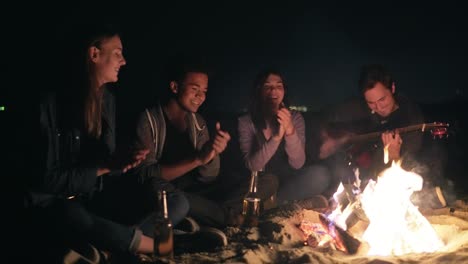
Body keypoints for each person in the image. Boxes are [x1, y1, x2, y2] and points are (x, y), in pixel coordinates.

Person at [21, 23, 190, 263]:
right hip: (53, 203)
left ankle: (108, 247)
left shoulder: (107, 100)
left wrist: (124, 159)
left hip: (92, 198)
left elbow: (107, 169)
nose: (124, 61)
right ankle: (158, 245)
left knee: (173, 200)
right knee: (72, 215)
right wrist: (105, 167)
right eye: (117, 53)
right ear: (94, 54)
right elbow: (47, 180)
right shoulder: (51, 103)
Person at [133, 57, 271, 235]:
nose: (201, 96)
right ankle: (218, 217)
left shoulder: (198, 122)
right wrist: (197, 159)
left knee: (266, 181)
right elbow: (145, 175)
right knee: (179, 200)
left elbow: (208, 177)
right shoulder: (149, 120)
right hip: (168, 193)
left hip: (196, 193)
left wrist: (212, 153)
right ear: (175, 87)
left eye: (204, 91)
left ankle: (202, 217)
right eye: (194, 89)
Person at [318, 63, 453, 208]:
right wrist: (335, 139)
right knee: (338, 164)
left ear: (392, 88)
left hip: (406, 170)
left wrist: (394, 155)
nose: (379, 107)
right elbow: (336, 117)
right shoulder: (365, 110)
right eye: (371, 103)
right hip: (367, 170)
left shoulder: (410, 117)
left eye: (382, 99)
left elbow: (405, 169)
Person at [238, 68, 331, 207]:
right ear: (259, 91)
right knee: (268, 182)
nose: (274, 91)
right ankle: (287, 206)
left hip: (287, 183)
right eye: (267, 86)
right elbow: (253, 166)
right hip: (260, 184)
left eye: (278, 86)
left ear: (284, 91)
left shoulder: (294, 118)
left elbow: (298, 163)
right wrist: (276, 137)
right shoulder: (246, 121)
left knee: (320, 174)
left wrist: (290, 131)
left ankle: (274, 206)